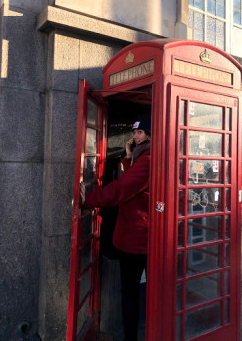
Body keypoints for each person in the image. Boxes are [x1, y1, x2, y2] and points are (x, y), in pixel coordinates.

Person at [80, 116, 151, 341]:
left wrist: (88, 200)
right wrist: (129, 157)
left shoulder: (148, 160)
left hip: (136, 238)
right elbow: (135, 183)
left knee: (129, 292)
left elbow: (122, 188)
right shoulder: (143, 157)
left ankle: (131, 337)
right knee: (137, 290)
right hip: (141, 234)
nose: (134, 136)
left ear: (149, 134)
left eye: (139, 133)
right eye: (134, 132)